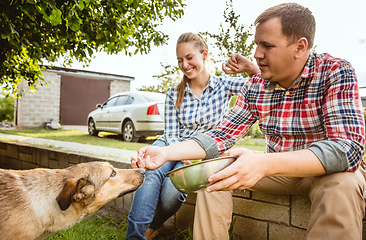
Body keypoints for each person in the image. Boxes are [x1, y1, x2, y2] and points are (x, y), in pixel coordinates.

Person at [134, 3, 366, 240]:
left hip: (324, 172)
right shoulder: (256, 86)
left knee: (343, 183)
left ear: (300, 47)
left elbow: (347, 149)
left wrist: (264, 164)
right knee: (214, 172)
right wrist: (166, 153)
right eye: (257, 44)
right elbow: (220, 136)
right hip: (277, 171)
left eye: (267, 45)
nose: (256, 53)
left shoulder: (335, 72)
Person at [125, 32, 260, 240]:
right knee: (150, 175)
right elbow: (170, 133)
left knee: (173, 190)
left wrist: (250, 67)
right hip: (170, 144)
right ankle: (134, 237)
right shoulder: (173, 92)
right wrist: (178, 154)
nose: (185, 64)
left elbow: (261, 87)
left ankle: (154, 225)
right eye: (180, 60)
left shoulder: (224, 85)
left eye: (189, 58)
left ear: (204, 54)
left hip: (202, 151)